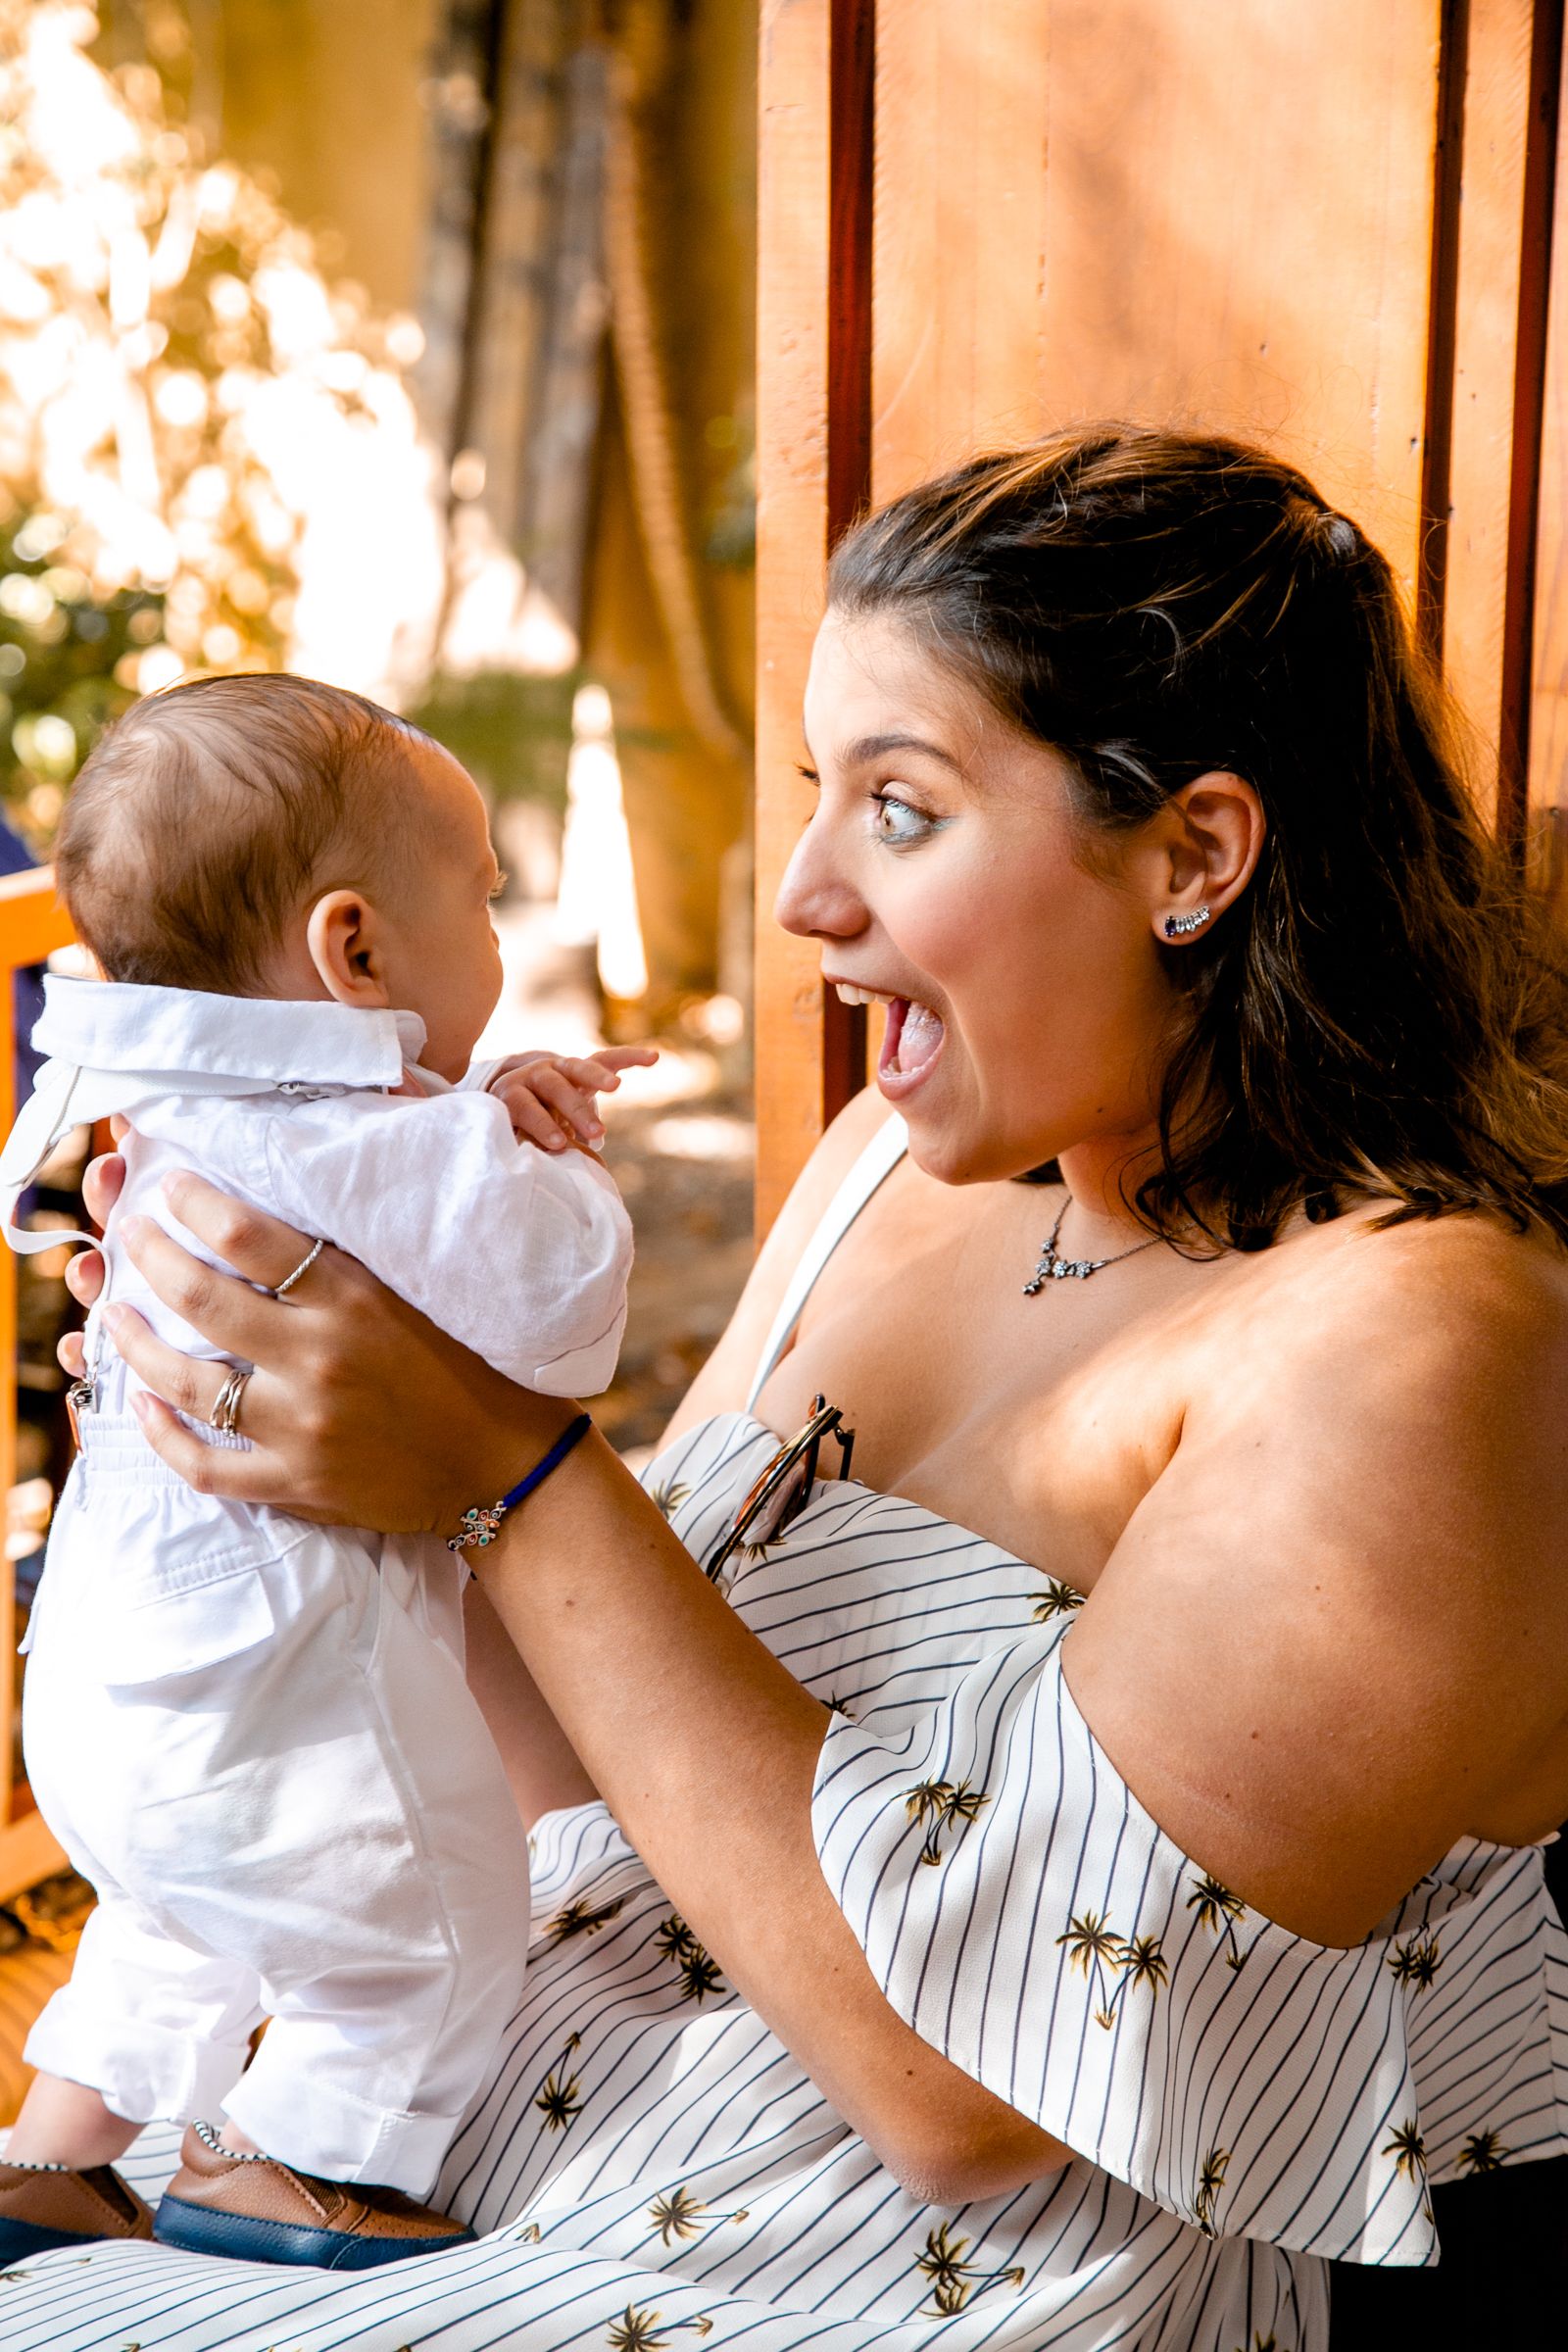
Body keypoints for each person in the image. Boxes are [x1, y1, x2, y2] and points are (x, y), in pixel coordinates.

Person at [5, 428, 1568, 2351]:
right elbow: (576, 1756)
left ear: (1191, 856)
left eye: (897, 810)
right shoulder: (879, 1182)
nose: (805, 900)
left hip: (858, 2270)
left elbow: (970, 2098)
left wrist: (499, 1460)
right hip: (468, 2125)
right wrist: (279, 1456)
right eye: (819, 796)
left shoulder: (1417, 1339)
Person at [0, 676, 649, 2269]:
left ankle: (48, 2158)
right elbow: (562, 1323)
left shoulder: (153, 1109)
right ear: (355, 951)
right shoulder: (396, 1148)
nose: (501, 933)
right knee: (414, 1942)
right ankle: (295, 2167)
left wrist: (459, 1113)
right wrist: (532, 1151)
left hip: (98, 1693)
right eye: (487, 896)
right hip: (279, 1695)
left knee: (177, 1918)